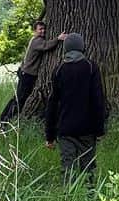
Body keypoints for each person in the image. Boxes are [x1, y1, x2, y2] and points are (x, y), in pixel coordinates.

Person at [44, 32, 107, 183]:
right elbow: (98, 101)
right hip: (88, 129)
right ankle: (91, 200)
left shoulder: (59, 70)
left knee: (67, 168)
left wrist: (50, 135)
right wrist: (100, 130)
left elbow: (52, 103)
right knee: (88, 168)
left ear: (66, 49)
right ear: (82, 48)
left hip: (65, 129)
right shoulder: (91, 67)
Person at [0, 19, 54, 131]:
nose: (43, 31)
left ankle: (2, 120)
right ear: (34, 31)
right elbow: (46, 46)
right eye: (40, 29)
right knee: (19, 100)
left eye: (44, 29)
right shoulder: (37, 41)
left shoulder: (36, 40)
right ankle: (4, 122)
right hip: (27, 75)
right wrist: (58, 39)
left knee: (17, 99)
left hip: (26, 73)